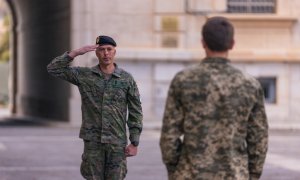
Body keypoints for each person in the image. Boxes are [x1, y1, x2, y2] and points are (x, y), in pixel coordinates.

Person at [160, 16, 268, 180]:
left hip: (190, 173)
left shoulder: (183, 80)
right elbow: (259, 138)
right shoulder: (250, 84)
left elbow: (169, 135)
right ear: (232, 44)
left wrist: (175, 171)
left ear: (203, 42)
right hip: (235, 174)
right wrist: (252, 174)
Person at [47, 35, 143, 180]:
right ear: (96, 53)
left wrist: (134, 141)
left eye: (109, 49)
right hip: (93, 143)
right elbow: (53, 68)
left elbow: (136, 111)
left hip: (116, 143)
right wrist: (76, 53)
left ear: (114, 52)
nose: (106, 53)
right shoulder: (84, 75)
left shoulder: (126, 79)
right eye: (102, 50)